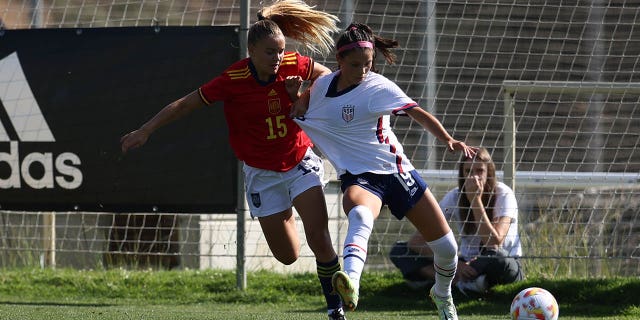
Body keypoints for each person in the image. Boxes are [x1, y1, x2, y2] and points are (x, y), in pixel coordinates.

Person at [120, 1, 348, 319]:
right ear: (251, 51)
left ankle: (336, 308)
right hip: (262, 174)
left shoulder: (294, 65)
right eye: (270, 52)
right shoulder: (234, 78)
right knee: (288, 256)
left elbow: (326, 77)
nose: (278, 58)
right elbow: (186, 104)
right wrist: (145, 130)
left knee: (320, 238)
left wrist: (304, 95)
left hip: (298, 162)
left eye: (281, 51)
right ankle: (288, 209)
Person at [291, 22, 477, 320]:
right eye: (355, 65)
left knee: (447, 250)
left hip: (395, 172)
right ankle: (351, 281)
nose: (363, 71)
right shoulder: (322, 87)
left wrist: (448, 139)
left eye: (368, 64)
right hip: (361, 178)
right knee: (360, 212)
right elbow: (300, 112)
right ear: (339, 62)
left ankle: (442, 294)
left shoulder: (378, 87)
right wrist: (295, 96)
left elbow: (418, 113)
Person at [389, 148, 524, 295]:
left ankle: (458, 283)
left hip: (495, 260)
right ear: (462, 174)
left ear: (489, 173)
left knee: (500, 259)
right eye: (468, 171)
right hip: (464, 262)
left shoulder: (503, 194)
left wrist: (475, 200)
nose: (474, 177)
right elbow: (416, 242)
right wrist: (456, 265)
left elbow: (494, 243)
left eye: (480, 171)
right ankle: (456, 283)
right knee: (400, 251)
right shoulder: (454, 196)